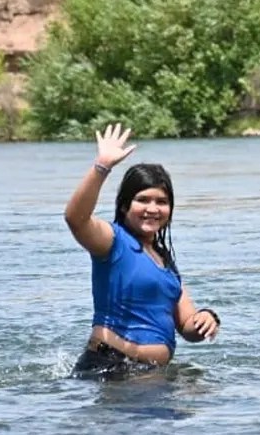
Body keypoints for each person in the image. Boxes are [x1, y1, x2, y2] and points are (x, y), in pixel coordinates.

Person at [64, 123, 220, 376]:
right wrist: (102, 167)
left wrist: (207, 317)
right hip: (110, 368)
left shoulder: (166, 263)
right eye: (143, 200)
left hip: (153, 376)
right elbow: (75, 219)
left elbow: (188, 328)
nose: (153, 208)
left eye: (161, 202)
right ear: (125, 206)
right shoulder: (113, 241)